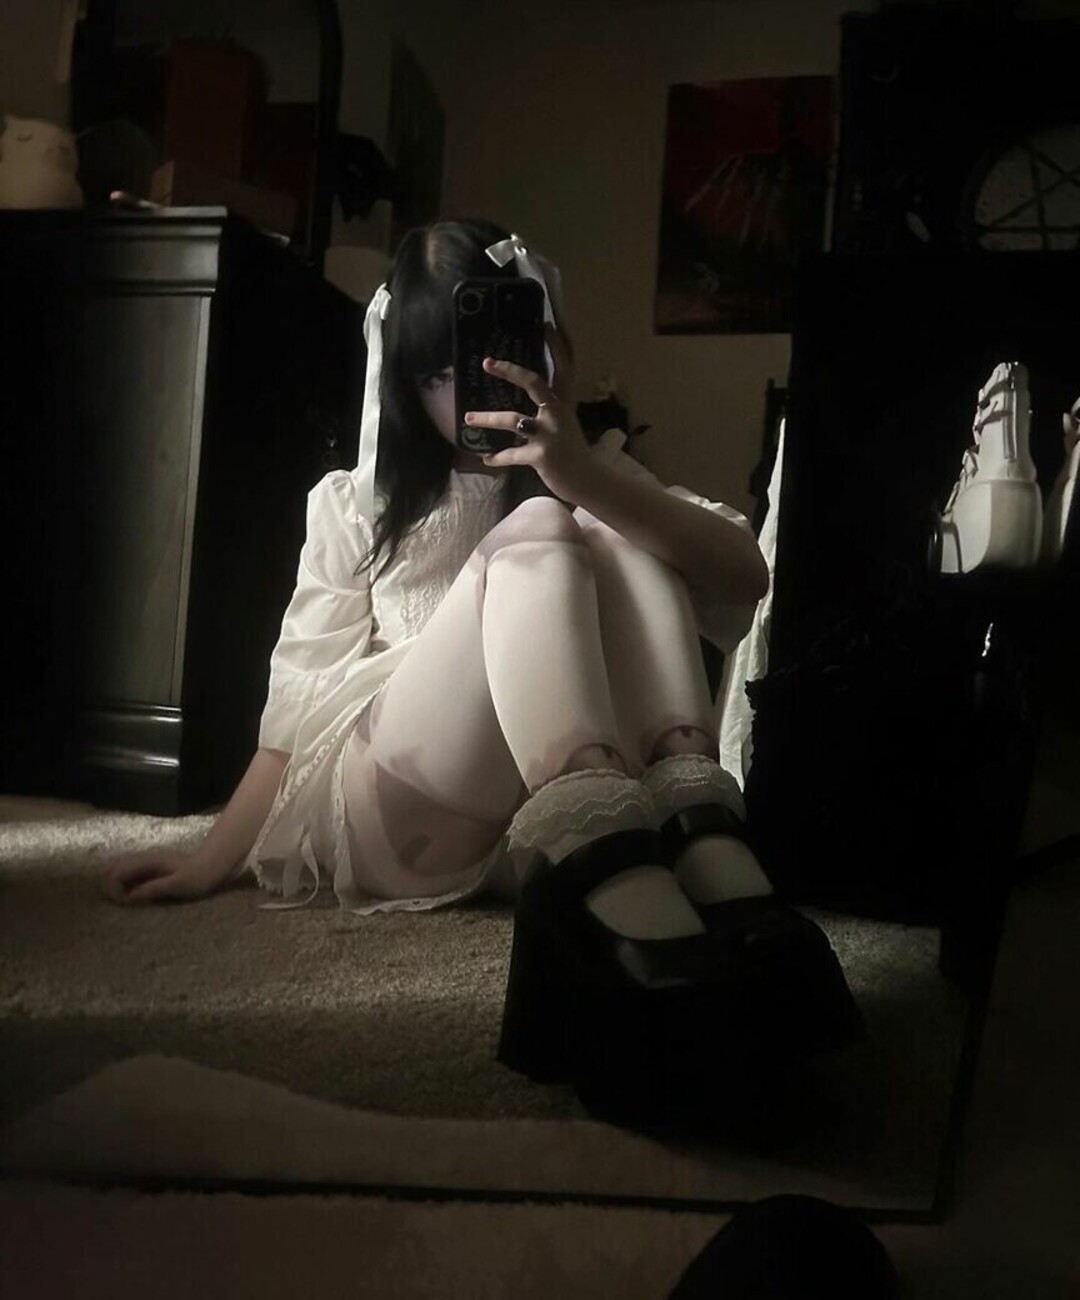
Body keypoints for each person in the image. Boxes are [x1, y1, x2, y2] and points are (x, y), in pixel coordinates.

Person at [101, 218, 862, 1120]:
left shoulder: (590, 467)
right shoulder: (354, 504)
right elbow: (294, 711)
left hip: (532, 830)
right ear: (398, 380)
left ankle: (703, 840)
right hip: (391, 809)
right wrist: (209, 859)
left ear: (541, 346)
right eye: (434, 373)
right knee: (543, 526)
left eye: (485, 355)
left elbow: (746, 576)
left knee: (611, 521)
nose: (462, 391)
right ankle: (622, 890)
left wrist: (579, 472)